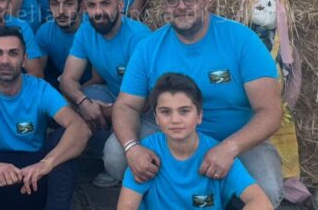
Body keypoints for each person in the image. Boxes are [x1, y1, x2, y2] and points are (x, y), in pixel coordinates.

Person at [106, 0, 284, 206]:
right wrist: (132, 148)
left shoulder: (242, 40)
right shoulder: (148, 48)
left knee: (267, 191)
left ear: (205, 0)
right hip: (169, 134)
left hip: (233, 135)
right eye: (172, 0)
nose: (181, 6)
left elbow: (271, 111)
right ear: (164, 6)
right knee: (116, 155)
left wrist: (229, 148)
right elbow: (126, 105)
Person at [0, 26, 90, 210]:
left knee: (66, 138)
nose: (5, 61)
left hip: (33, 178)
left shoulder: (40, 88)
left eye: (13, 53)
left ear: (24, 59)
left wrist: (46, 164)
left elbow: (80, 128)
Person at [116, 73, 272, 210]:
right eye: (165, 112)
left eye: (184, 111)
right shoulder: (146, 154)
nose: (175, 120)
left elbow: (261, 202)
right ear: (156, 118)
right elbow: (126, 206)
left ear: (199, 116)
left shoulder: (218, 155)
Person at [60, 0, 151, 187]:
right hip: (113, 96)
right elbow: (67, 79)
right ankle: (97, 149)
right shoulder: (86, 31)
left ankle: (118, 160)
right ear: (84, 8)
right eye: (92, 5)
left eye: (105, 3)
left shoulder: (138, 38)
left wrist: (99, 111)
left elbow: (146, 102)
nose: (98, 11)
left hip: (143, 110)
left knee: (115, 161)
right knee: (69, 101)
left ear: (120, 5)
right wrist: (83, 103)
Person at [35, 0, 89, 87]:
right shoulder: (44, 32)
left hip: (91, 85)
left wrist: (73, 93)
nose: (61, 11)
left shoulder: (94, 30)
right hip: (61, 81)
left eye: (68, 4)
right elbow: (38, 74)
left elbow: (100, 78)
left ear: (81, 7)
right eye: (55, 4)